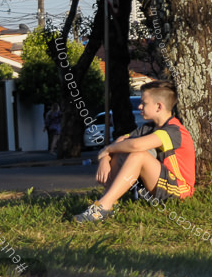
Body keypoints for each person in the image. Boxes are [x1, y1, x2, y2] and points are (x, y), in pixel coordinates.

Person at [74, 79, 195, 222]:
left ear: (159, 107)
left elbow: (135, 146)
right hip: (159, 185)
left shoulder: (174, 130)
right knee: (121, 150)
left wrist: (106, 149)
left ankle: (103, 206)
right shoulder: (148, 128)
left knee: (139, 155)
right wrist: (105, 158)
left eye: (144, 103)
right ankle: (109, 202)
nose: (139, 106)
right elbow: (121, 141)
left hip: (179, 190)